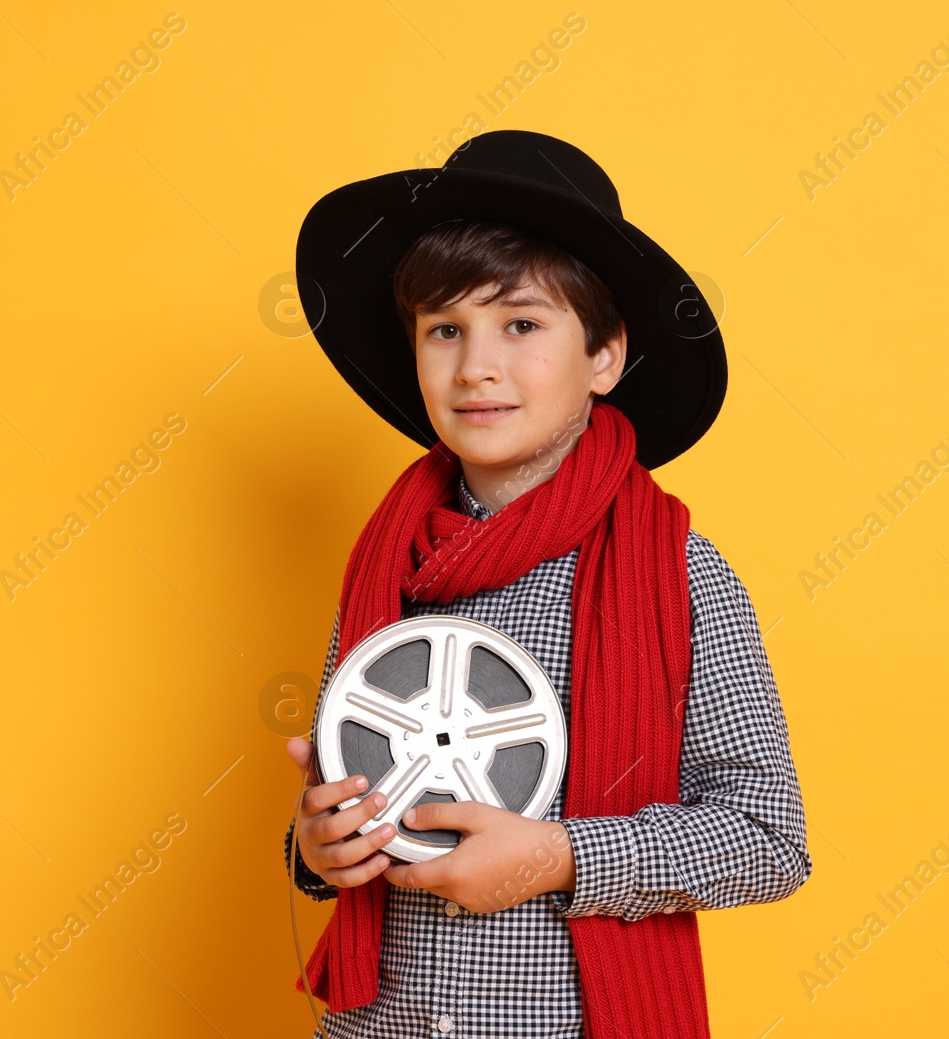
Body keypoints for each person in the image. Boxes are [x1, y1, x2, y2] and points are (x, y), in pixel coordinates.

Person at [282, 129, 810, 1038]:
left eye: (522, 325)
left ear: (603, 356)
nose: (476, 365)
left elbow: (767, 839)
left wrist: (560, 855)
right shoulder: (388, 561)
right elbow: (358, 786)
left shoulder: (679, 573)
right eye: (445, 330)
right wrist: (315, 845)